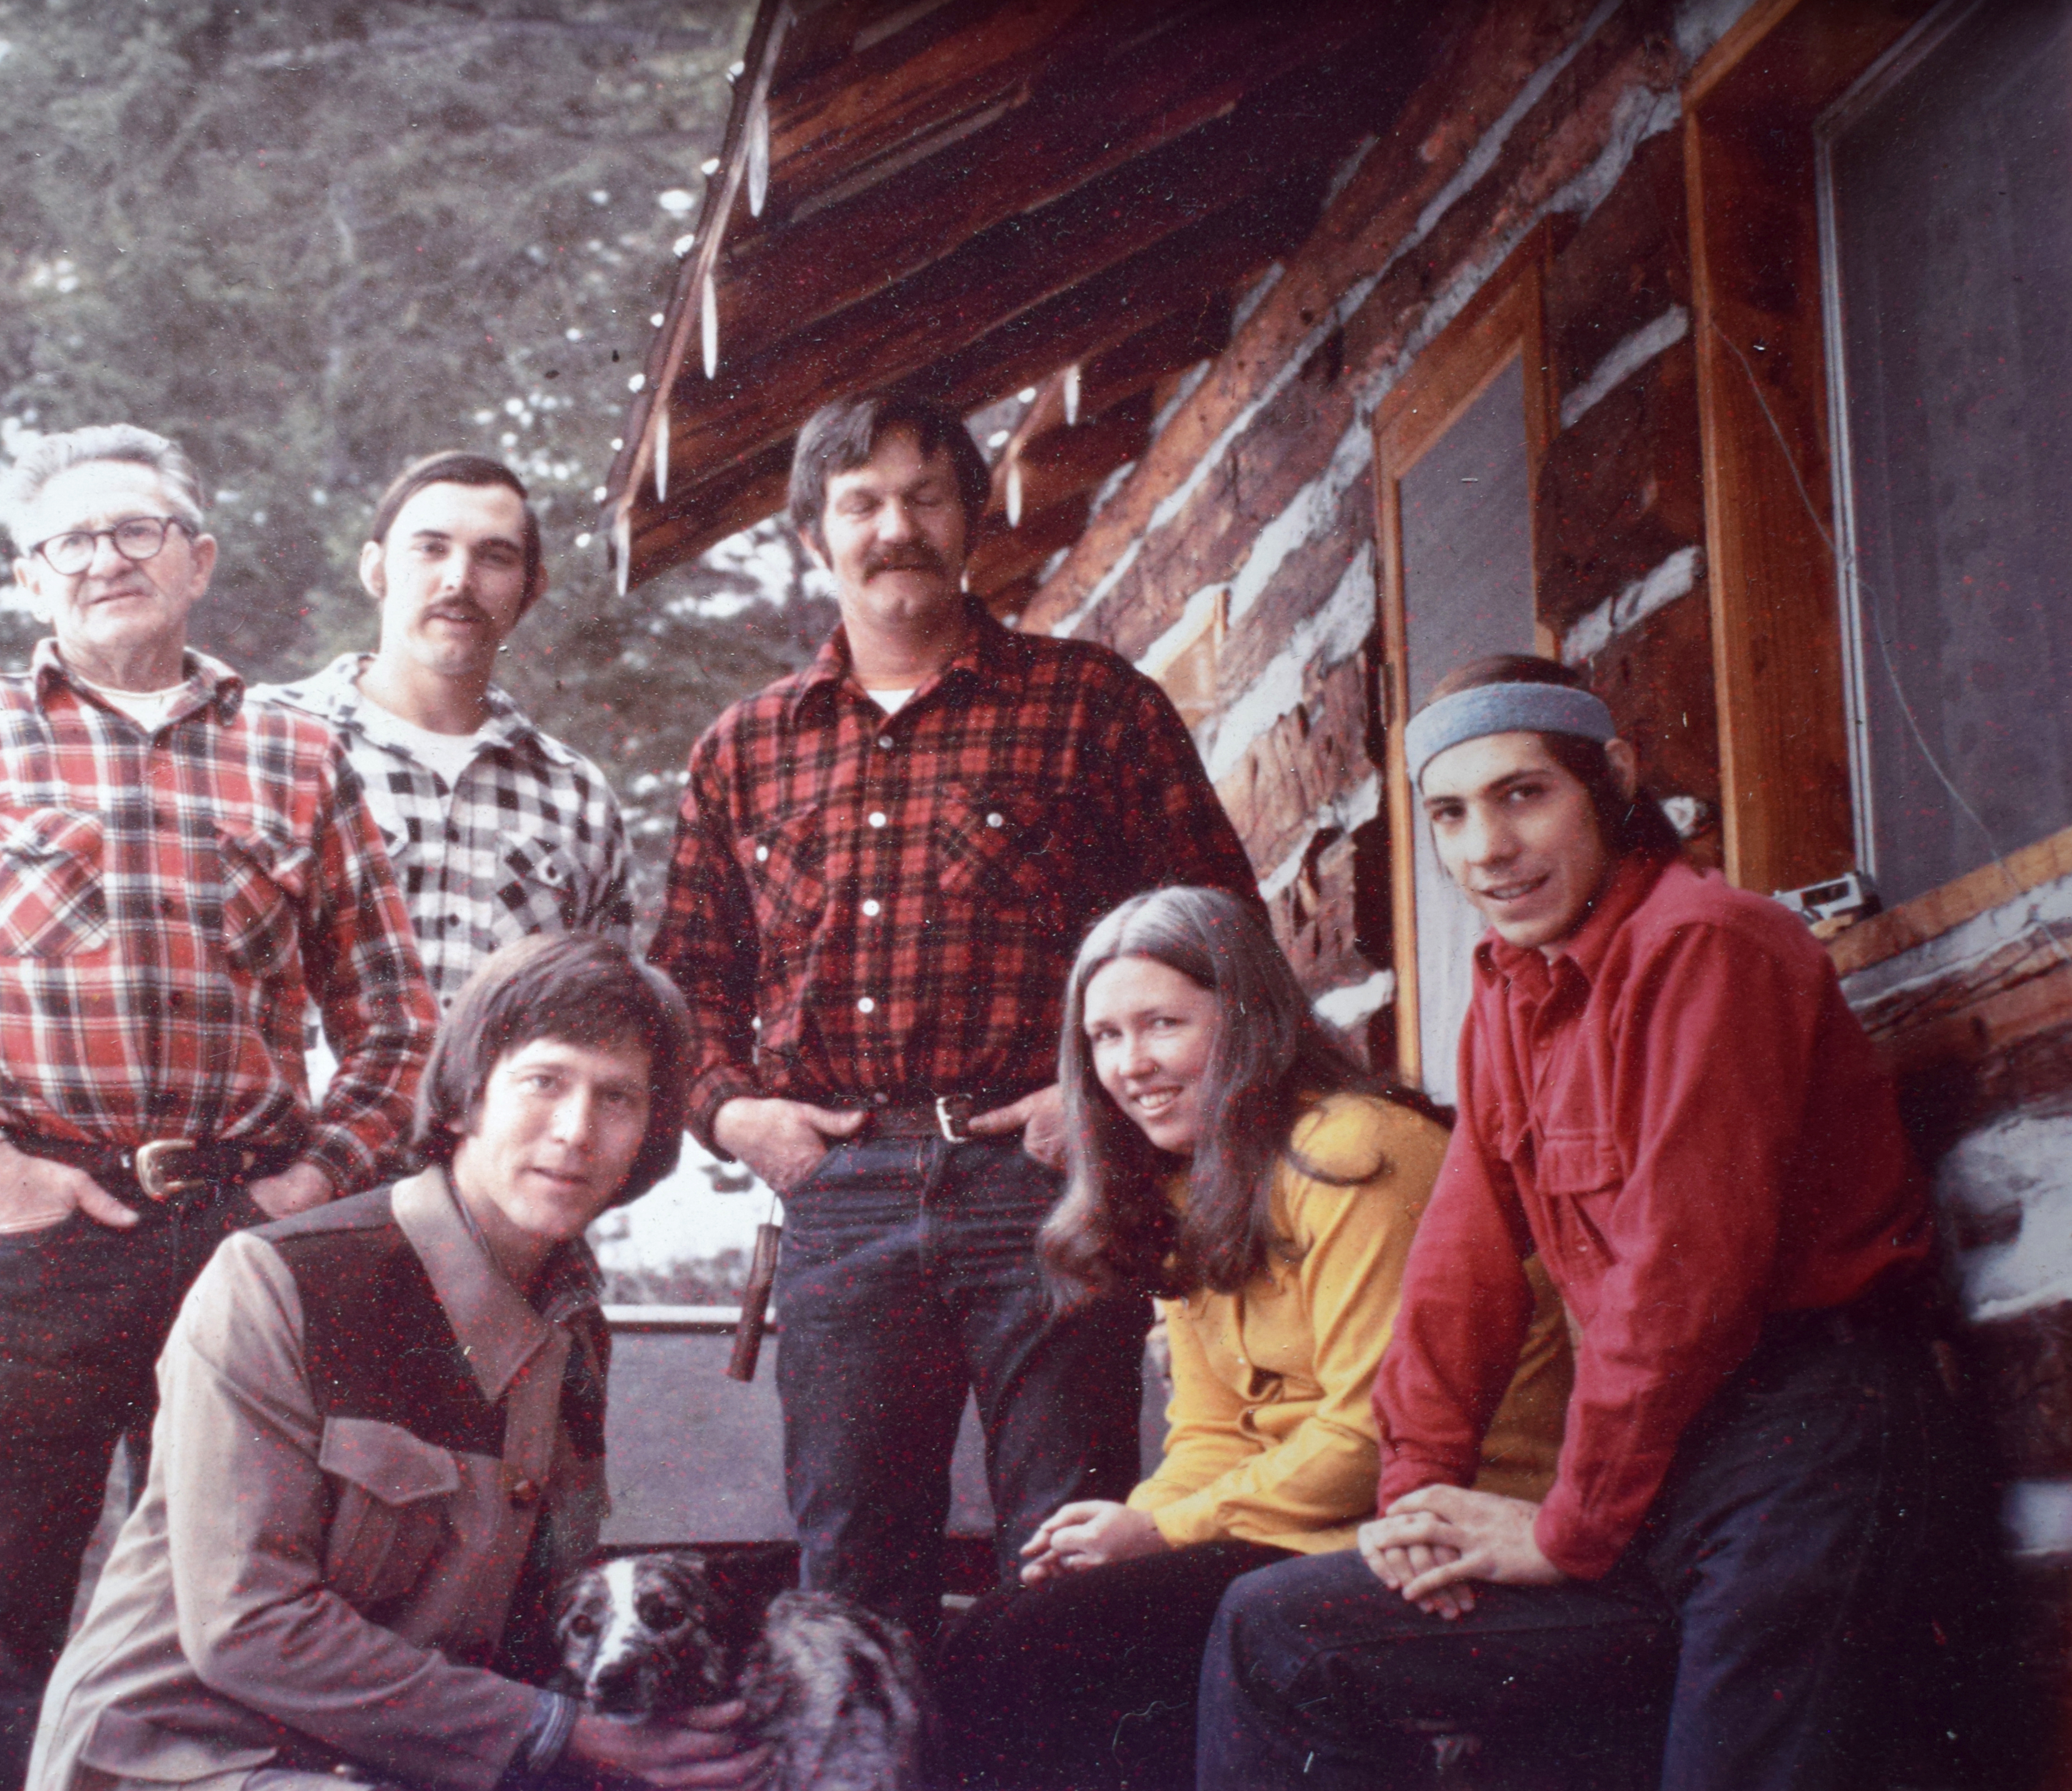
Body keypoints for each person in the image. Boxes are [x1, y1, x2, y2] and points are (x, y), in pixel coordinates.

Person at [0, 424, 432, 1791]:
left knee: (235, 1619)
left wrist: (304, 1189)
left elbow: (395, 1027)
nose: (105, 558)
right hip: (30, 1242)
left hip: (240, 1238)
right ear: (31, 580)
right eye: (70, 540)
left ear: (197, 559)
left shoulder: (298, 753)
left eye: (137, 529)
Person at [1197, 655, 1944, 1789]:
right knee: (1283, 1631)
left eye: (1523, 793)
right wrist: (1418, 1503)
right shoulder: (1510, 996)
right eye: (1450, 813)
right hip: (1657, 1469)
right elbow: (1461, 1270)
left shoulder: (1706, 945)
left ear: (1612, 780)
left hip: (1812, 1447)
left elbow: (1682, 1281)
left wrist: (1565, 1528)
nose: (1487, 847)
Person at [650, 392, 1267, 1641]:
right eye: (861, 503)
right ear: (812, 536)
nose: (896, 528)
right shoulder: (743, 749)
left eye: (926, 497)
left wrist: (1093, 1105)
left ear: (974, 517)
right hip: (841, 1186)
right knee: (849, 1556)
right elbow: (684, 986)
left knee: (1073, 1543)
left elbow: (1221, 939)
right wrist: (739, 1117)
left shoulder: (1091, 704)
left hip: (1046, 1184)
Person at [26, 934, 770, 1791]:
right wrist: (558, 1736)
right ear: (464, 1099)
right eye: (543, 1082)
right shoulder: (279, 1283)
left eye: (617, 1098)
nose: (574, 1131)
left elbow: (541, 1613)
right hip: (187, 1754)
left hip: (403, 1758)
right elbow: (246, 1625)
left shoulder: (572, 1332)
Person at [936, 887, 1569, 1791]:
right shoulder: (1190, 1183)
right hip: (1298, 1520)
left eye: (1161, 1024)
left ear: (1249, 1019)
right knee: (1006, 1631)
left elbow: (1371, 1434)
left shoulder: (1354, 1152)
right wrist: (1132, 1525)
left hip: (1437, 1518)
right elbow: (1210, 1430)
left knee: (1038, 1649)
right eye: (1104, 1038)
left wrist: (1161, 1530)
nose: (1130, 1065)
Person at [263, 451, 631, 1010]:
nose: (459, 579)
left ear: (530, 589)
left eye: (495, 556)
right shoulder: (261, 741)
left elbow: (600, 1023)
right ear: (375, 568)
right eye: (431, 548)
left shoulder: (577, 798)